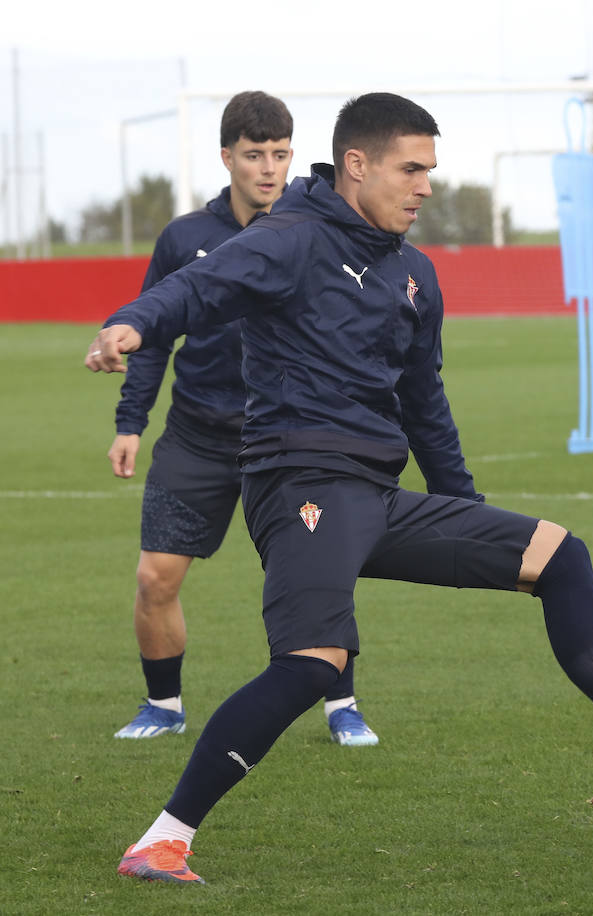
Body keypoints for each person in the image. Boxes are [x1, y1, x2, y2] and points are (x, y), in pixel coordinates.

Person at [87, 92, 593, 886]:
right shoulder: (288, 237)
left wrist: (464, 510)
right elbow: (196, 288)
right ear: (357, 164)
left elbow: (424, 405)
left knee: (557, 555)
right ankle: (162, 839)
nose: (426, 186)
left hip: (372, 493)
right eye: (411, 169)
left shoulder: (414, 273)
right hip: (299, 485)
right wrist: (132, 323)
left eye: (432, 171)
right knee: (313, 665)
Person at [104, 91, 379, 748]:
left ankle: (342, 703)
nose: (269, 169)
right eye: (254, 155)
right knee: (153, 578)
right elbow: (157, 328)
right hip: (199, 433)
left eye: (280, 154)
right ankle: (164, 704)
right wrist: (130, 421)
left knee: (321, 577)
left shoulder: (318, 232)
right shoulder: (185, 239)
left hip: (291, 439)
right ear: (227, 156)